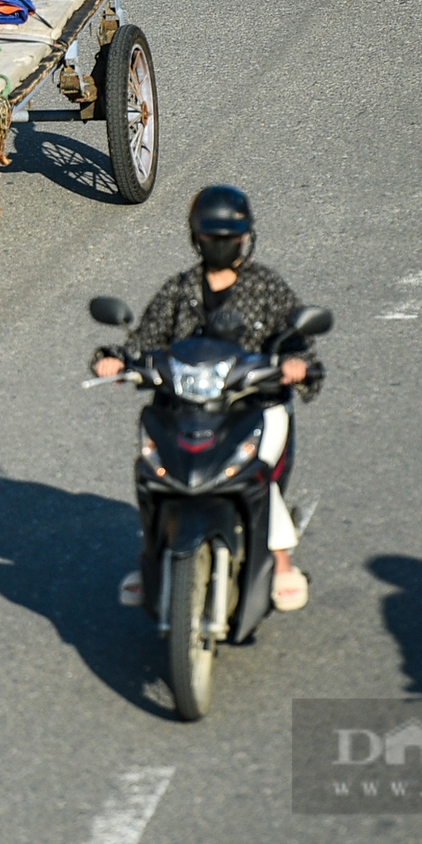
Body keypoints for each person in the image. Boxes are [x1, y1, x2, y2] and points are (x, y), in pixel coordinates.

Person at [92, 185, 323, 612]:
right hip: (185, 409)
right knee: (152, 472)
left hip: (252, 406)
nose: (220, 245)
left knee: (259, 470)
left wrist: (296, 365)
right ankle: (152, 556)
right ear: (196, 238)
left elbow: (300, 344)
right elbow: (144, 339)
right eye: (212, 237)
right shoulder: (180, 290)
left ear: (245, 238)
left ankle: (280, 557)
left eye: (229, 237)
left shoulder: (267, 287)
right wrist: (114, 360)